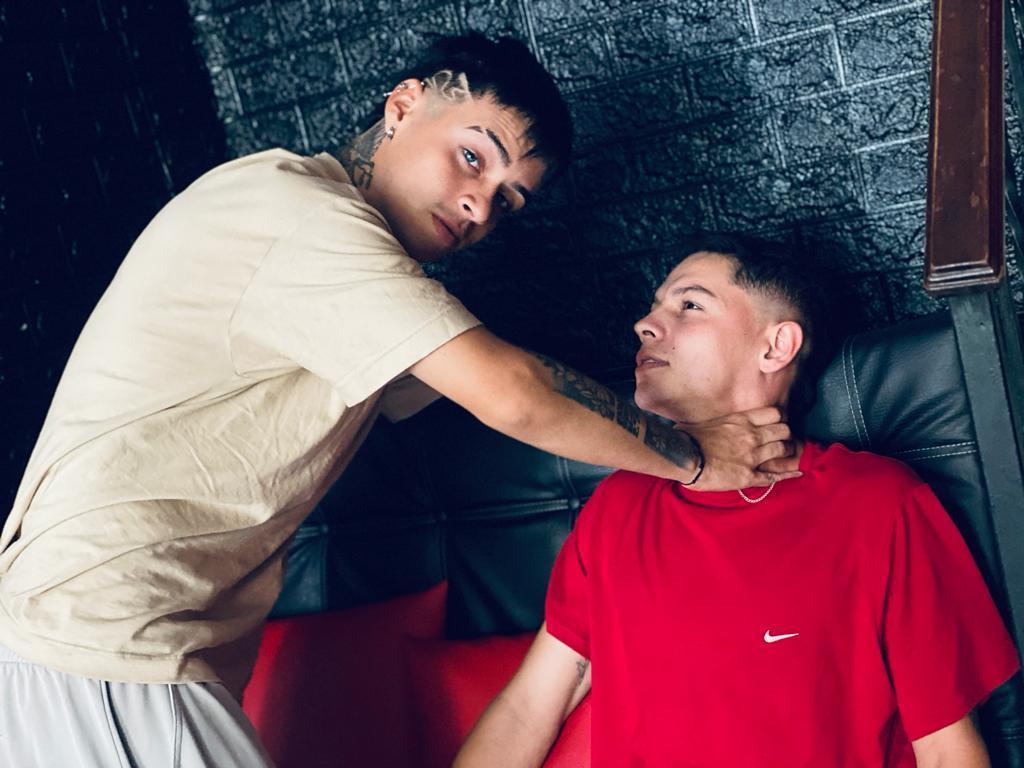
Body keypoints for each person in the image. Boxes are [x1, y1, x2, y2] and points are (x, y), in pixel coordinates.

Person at [0, 36, 799, 767]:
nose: (479, 207)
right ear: (404, 104)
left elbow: (495, 378)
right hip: (105, 644)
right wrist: (702, 458)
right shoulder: (304, 217)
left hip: (95, 648)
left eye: (506, 201)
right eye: (472, 158)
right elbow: (512, 393)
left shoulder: (346, 267)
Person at [454, 235, 1021, 767]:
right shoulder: (619, 502)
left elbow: (948, 750)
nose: (644, 324)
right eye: (654, 307)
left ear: (776, 346)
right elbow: (529, 709)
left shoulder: (877, 503)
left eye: (690, 305)